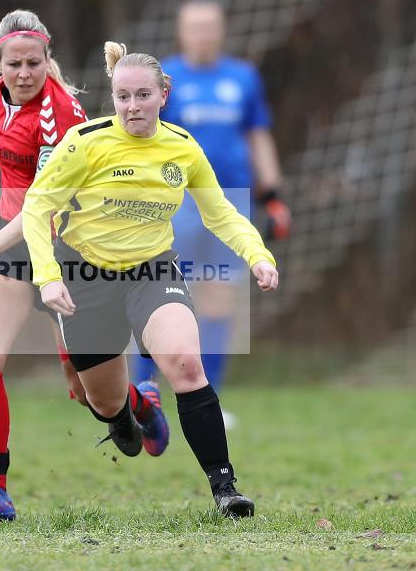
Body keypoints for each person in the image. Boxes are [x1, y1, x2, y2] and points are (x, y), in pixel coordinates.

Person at [21, 41, 279, 517]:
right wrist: (48, 276)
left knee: (185, 362)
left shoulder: (182, 147)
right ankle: (130, 413)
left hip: (152, 270)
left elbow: (219, 212)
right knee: (100, 401)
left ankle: (225, 489)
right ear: (113, 97)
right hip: (85, 277)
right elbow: (37, 206)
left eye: (143, 95)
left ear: (164, 93)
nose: (133, 106)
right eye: (123, 97)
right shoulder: (85, 142)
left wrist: (256, 254)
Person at [0, 11, 169, 522]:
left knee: (87, 394)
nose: (24, 73)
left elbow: (42, 207)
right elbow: (7, 142)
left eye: (34, 64)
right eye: (13, 64)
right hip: (10, 239)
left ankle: (138, 405)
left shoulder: (62, 116)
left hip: (65, 251)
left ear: (47, 61)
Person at [132, 0, 291, 430]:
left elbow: (258, 135)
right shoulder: (163, 78)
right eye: (194, 27)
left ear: (221, 31)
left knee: (219, 297)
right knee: (155, 292)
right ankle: (139, 395)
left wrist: (272, 193)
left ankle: (208, 399)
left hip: (230, 200)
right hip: (174, 201)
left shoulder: (243, 77)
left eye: (209, 27)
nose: (202, 34)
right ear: (181, 33)